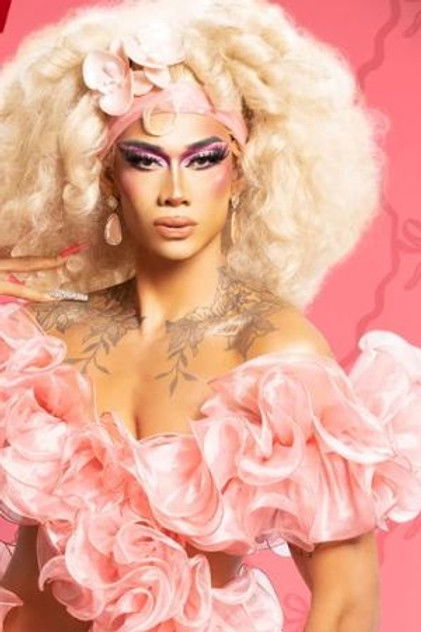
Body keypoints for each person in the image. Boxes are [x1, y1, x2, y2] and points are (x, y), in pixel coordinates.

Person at [0, 0, 420, 630]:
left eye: (203, 159)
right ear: (107, 179)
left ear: (241, 173)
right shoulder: (43, 342)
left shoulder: (273, 357)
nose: (175, 191)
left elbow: (347, 605)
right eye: (145, 160)